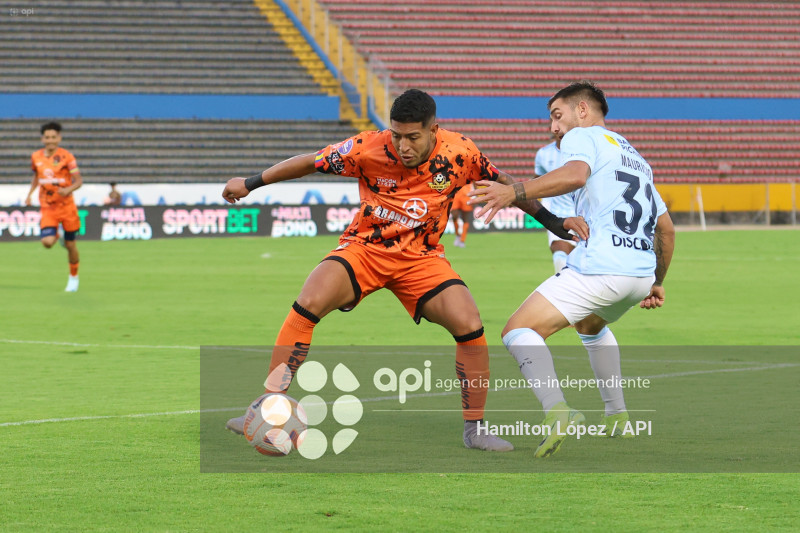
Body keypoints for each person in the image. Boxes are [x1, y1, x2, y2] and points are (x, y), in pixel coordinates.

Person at [221, 89, 588, 452]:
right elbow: (308, 162)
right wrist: (251, 183)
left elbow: (505, 181)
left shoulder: (460, 152)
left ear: (433, 130)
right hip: (365, 249)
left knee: (469, 323)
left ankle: (475, 429)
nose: (403, 146)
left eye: (413, 137)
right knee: (309, 301)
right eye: (396, 135)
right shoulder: (367, 147)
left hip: (422, 259)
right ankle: (268, 409)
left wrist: (554, 223)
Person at [469, 81, 675, 458]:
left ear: (582, 110)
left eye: (556, 115)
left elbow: (576, 175)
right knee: (591, 326)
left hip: (601, 266)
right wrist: (656, 282)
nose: (553, 127)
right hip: (638, 274)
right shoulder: (634, 157)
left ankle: (557, 411)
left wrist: (514, 191)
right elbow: (666, 229)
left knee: (518, 330)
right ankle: (618, 417)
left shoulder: (583, 136)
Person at [25, 122, 83, 292]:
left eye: (53, 137)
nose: (50, 140)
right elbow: (37, 176)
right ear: (42, 139)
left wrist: (68, 190)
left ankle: (73, 277)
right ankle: (57, 233)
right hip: (48, 206)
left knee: (71, 246)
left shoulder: (67, 157)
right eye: (47, 137)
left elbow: (79, 181)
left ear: (59, 138)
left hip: (67, 207)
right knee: (47, 243)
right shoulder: (36, 157)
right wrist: (30, 194)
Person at [534, 133, 578, 273]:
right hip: (559, 214)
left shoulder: (587, 151)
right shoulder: (544, 154)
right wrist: (516, 195)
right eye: (554, 122)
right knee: (560, 256)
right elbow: (537, 181)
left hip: (587, 216)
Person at [450, 183, 474, 247]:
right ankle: (457, 235)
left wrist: (475, 196)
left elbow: (476, 182)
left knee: (465, 219)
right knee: (454, 216)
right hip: (456, 194)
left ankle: (462, 240)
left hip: (467, 195)